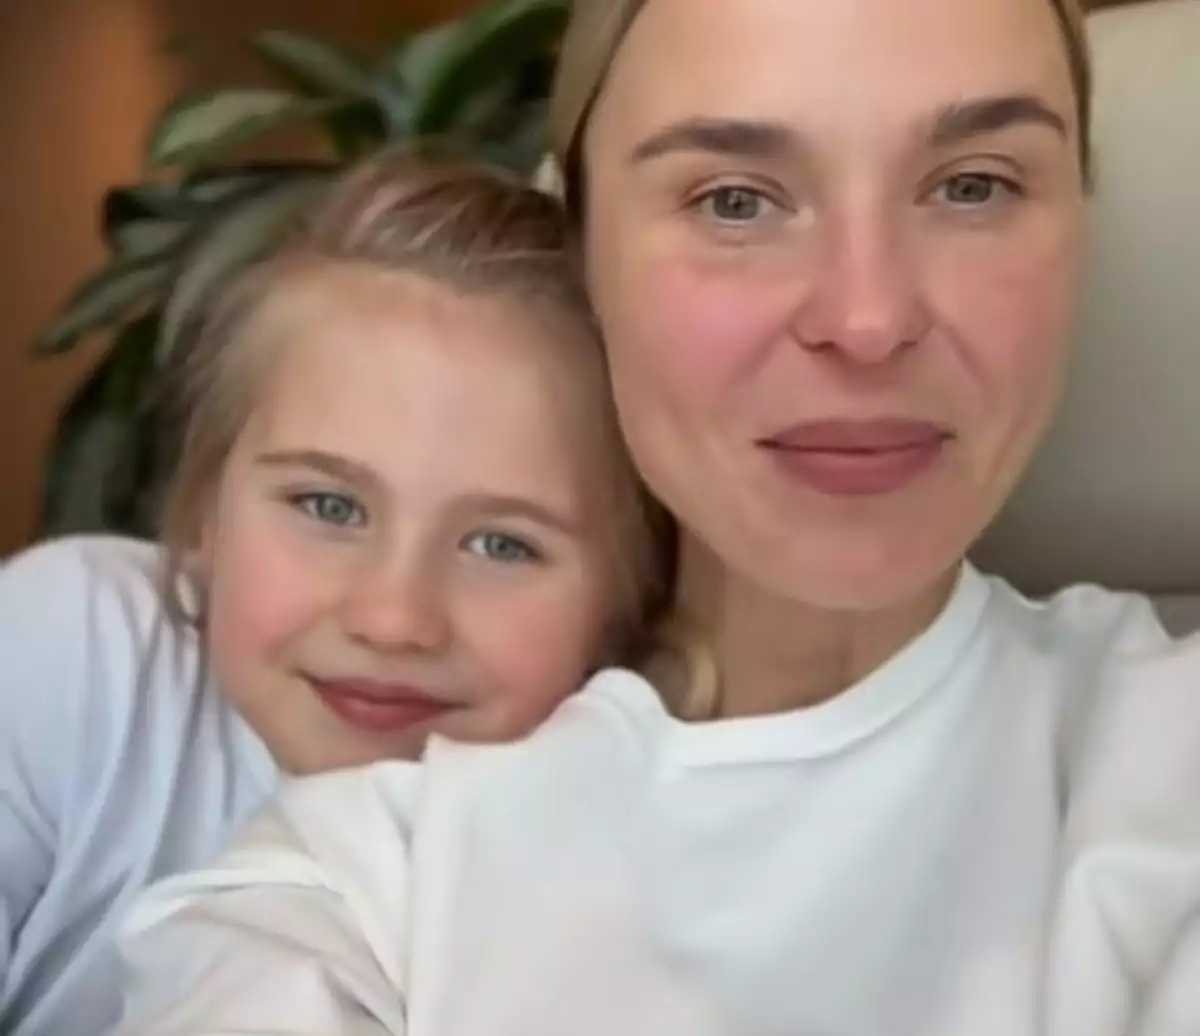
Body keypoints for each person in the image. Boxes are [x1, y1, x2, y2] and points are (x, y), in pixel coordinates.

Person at [108, 0, 1200, 1033]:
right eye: (734, 200)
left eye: (973, 186)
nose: (869, 320)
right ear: (586, 256)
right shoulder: (360, 885)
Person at [0, 148, 672, 1036]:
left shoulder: (618, 878)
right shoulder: (78, 651)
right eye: (328, 506)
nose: (392, 619)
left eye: (501, 545)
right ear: (205, 513)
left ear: (622, 605)